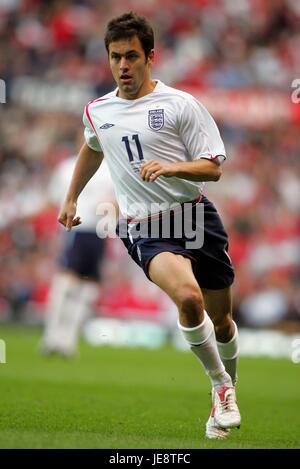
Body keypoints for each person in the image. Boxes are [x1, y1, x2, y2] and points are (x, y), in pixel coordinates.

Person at [58, 12, 241, 438]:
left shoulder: (180, 105)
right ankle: (220, 386)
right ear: (107, 58)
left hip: (196, 217)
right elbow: (92, 147)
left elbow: (213, 169)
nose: (123, 65)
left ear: (150, 57)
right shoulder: (98, 110)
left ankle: (228, 390)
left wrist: (171, 168)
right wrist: (71, 197)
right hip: (145, 227)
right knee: (189, 299)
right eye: (115, 57)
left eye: (132, 56)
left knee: (223, 321)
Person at [40, 154, 115, 357]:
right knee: (66, 283)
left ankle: (68, 340)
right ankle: (51, 337)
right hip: (75, 229)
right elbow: (55, 200)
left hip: (99, 232)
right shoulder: (67, 168)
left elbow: (119, 202)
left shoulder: (112, 167)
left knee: (88, 289)